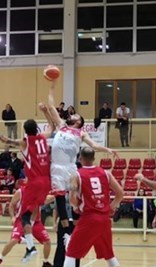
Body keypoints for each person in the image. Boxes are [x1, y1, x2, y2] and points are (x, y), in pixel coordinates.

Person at [41, 80, 118, 248]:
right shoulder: (61, 125)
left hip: (70, 167)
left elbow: (95, 146)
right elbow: (51, 105)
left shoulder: (81, 132)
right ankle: (65, 233)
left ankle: (79, 227)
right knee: (59, 201)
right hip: (56, 167)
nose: (71, 115)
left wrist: (108, 149)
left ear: (79, 122)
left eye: (75, 116)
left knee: (74, 198)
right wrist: (52, 87)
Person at [53, 147, 129, 267]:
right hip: (104, 219)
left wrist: (75, 206)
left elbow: (72, 197)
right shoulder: (106, 173)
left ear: (80, 158)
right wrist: (112, 206)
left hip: (89, 219)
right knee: (109, 255)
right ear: (94, 158)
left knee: (71, 254)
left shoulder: (77, 175)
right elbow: (120, 193)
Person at [0, 119, 51, 263]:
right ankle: (31, 247)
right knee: (33, 210)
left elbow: (4, 139)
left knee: (24, 217)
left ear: (25, 131)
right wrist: (47, 111)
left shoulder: (25, 142)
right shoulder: (43, 137)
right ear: (37, 128)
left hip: (35, 181)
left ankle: (31, 248)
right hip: (47, 181)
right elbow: (52, 126)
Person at [0, 188, 53, 267]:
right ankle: (0, 259)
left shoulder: (39, 191)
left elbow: (45, 201)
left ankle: (45, 262)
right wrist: (13, 217)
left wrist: (58, 195)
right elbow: (11, 205)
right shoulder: (20, 192)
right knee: (14, 240)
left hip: (35, 222)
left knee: (47, 241)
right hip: (21, 220)